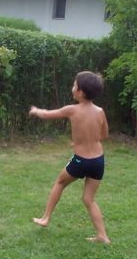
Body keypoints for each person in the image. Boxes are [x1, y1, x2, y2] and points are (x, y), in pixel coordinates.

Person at [29, 71, 110, 244]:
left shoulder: (72, 110)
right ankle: (102, 236)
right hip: (98, 161)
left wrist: (36, 110)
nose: (72, 88)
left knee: (60, 183)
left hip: (81, 161)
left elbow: (47, 114)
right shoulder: (100, 111)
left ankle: (45, 218)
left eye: (74, 85)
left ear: (81, 92)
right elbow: (104, 135)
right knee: (89, 199)